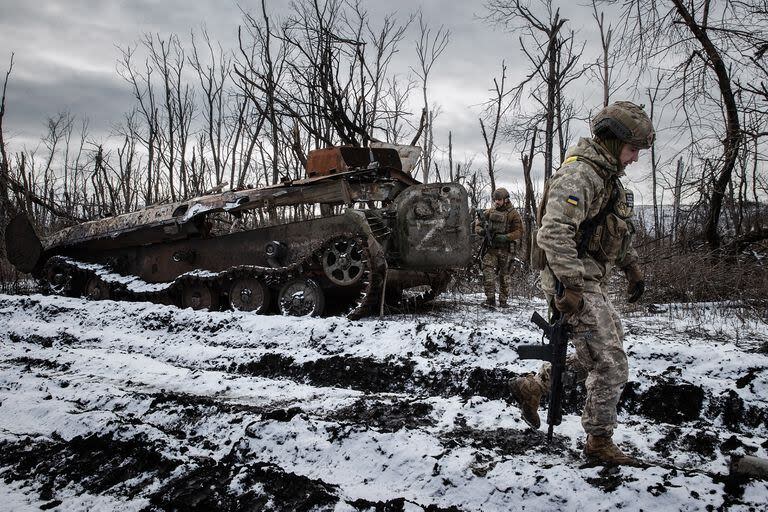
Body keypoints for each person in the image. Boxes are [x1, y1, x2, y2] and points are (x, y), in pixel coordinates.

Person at [511, 101, 653, 465]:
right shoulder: (580, 176)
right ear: (611, 140)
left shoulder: (608, 181)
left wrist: (632, 268)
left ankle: (535, 385)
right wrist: (571, 286)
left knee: (602, 346)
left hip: (589, 281)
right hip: (571, 283)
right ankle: (598, 442)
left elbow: (615, 237)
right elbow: (553, 232)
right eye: (632, 148)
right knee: (611, 362)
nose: (635, 157)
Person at [473, 188, 524, 307]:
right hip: (491, 250)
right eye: (495, 200)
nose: (497, 202)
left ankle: (503, 301)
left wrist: (506, 237)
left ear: (506, 200)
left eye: (499, 200)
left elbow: (520, 231)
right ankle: (490, 299)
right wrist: (482, 232)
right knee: (487, 272)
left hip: (505, 250)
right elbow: (478, 225)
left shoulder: (513, 214)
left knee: (505, 276)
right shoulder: (490, 212)